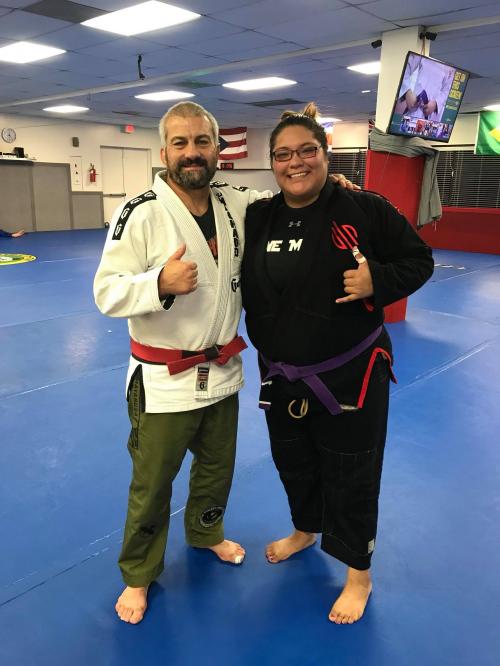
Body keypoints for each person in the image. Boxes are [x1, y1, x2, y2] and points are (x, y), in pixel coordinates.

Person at [94, 99, 358, 625]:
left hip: (221, 372)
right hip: (164, 378)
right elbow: (106, 291)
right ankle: (138, 573)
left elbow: (290, 193)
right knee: (153, 483)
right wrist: (157, 283)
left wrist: (331, 185)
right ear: (164, 151)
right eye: (180, 143)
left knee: (217, 469)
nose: (191, 152)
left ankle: (206, 532)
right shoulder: (140, 211)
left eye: (202, 141)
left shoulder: (237, 202)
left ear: (218, 149)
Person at [240, 103, 434, 625]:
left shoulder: (364, 209)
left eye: (307, 151)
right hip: (280, 375)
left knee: (352, 472)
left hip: (352, 374)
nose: (295, 163)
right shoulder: (259, 215)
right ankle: (305, 530)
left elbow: (419, 259)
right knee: (294, 461)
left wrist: (378, 283)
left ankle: (357, 573)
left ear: (327, 155)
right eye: (283, 154)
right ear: (271, 161)